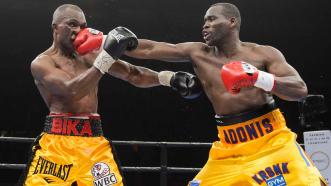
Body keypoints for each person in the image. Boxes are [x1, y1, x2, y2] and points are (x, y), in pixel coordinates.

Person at [125, 2, 328, 186]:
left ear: (232, 22)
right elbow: (151, 48)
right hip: (228, 148)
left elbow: (300, 90)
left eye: (212, 19)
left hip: (272, 142)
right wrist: (106, 40)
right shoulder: (198, 53)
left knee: (305, 182)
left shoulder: (263, 54)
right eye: (204, 21)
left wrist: (257, 77)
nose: (205, 25)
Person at [20, 4, 201, 186]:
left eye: (83, 26)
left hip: (93, 144)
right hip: (56, 146)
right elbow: (71, 90)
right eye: (73, 24)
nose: (79, 30)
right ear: (55, 27)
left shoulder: (91, 55)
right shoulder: (42, 63)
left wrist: (168, 78)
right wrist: (106, 57)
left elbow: (132, 73)